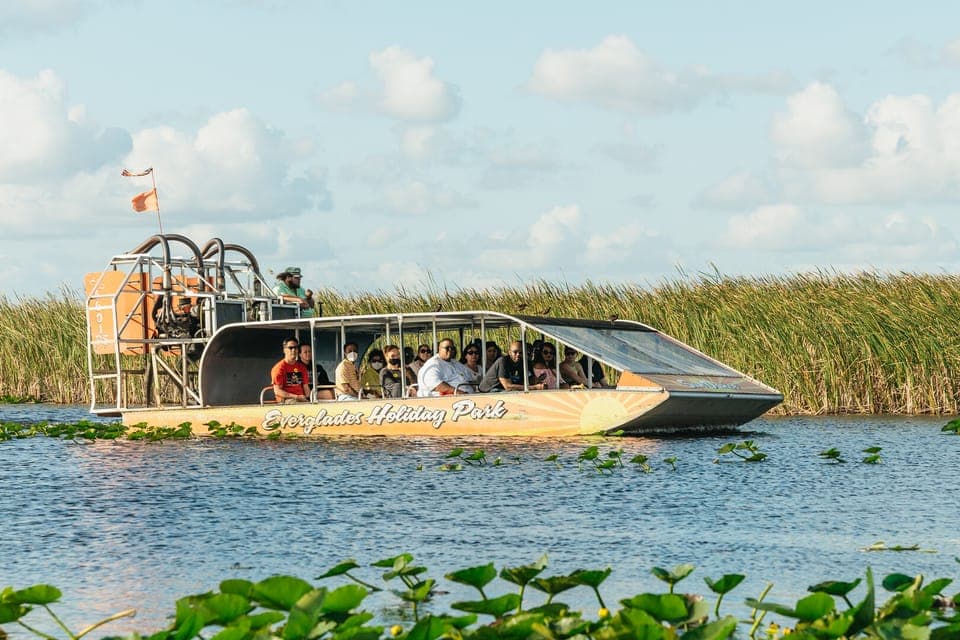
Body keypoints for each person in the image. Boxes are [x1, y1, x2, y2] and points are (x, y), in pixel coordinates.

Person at [479, 341, 546, 392]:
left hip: (507, 390)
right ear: (509, 352)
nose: (518, 355)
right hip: (490, 390)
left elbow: (528, 380)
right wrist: (535, 387)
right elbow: (508, 386)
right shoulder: (503, 361)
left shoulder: (525, 362)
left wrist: (537, 381)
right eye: (515, 352)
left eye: (521, 352)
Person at [270, 338, 309, 403]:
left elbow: (306, 387)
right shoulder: (278, 368)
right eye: (290, 348)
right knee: (294, 403)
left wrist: (309, 398)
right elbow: (277, 391)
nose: (293, 350)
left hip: (301, 399)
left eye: (296, 348)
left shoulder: (302, 367)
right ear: (284, 350)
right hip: (286, 400)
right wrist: (296, 397)